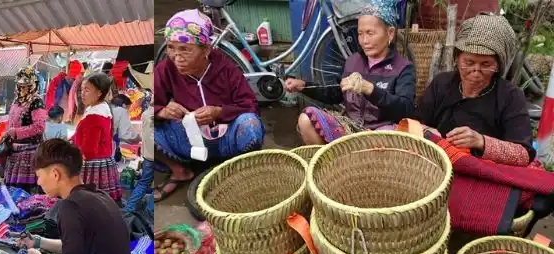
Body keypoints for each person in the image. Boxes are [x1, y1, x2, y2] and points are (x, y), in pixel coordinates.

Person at [153, 9, 265, 201]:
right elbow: (148, 103)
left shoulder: (225, 67)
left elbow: (249, 104)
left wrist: (219, 112)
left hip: (225, 139)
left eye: (185, 49)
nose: (176, 57)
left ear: (206, 50)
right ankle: (180, 171)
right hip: (188, 139)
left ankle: (236, 169)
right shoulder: (166, 69)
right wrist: (161, 111)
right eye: (171, 48)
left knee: (250, 124)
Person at [285, 0, 416, 145]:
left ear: (390, 33)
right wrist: (303, 85)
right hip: (350, 130)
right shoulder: (354, 61)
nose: (364, 40)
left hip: (383, 134)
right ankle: (328, 164)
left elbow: (406, 109)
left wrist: (370, 90)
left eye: (370, 33)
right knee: (306, 119)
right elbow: (336, 93)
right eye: (360, 33)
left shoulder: (403, 68)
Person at [19, 139, 130, 254]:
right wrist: (37, 242)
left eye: (39, 176)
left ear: (55, 174)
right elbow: (80, 246)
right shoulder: (99, 195)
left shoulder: (71, 207)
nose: (38, 182)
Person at [418, 13, 533, 167]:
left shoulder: (510, 96)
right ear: (457, 59)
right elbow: (415, 123)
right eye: (469, 62)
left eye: (486, 64)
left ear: (498, 66)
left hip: (483, 172)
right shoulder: (442, 83)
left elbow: (523, 154)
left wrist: (481, 141)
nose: (476, 70)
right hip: (435, 165)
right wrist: (429, 133)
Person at [71, 72, 123, 203]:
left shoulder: (94, 116)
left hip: (92, 166)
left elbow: (89, 150)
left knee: (90, 203)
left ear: (99, 93)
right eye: (81, 89)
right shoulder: (102, 109)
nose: (82, 94)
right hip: (103, 162)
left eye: (87, 90)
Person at [1, 67, 48, 192]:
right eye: (20, 86)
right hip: (14, 151)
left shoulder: (37, 102)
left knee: (25, 189)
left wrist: (15, 132)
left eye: (25, 86)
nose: (21, 89)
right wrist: (6, 133)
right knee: (13, 189)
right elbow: (11, 120)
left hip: (29, 152)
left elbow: (39, 127)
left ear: (33, 86)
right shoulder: (17, 101)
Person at [125, 105, 155, 216]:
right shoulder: (157, 114)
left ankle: (129, 208)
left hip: (147, 155)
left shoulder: (145, 114)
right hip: (158, 156)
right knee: (158, 185)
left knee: (143, 183)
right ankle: (150, 210)